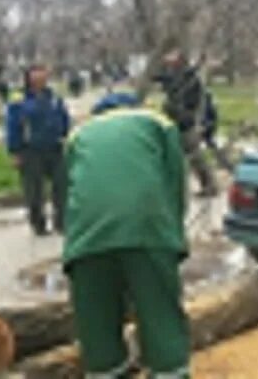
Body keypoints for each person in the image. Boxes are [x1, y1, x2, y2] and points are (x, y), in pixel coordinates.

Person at [63, 92, 190, 377]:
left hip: (86, 242)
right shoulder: (158, 123)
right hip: (147, 231)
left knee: (98, 333)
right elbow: (174, 184)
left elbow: (68, 192)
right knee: (161, 319)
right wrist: (174, 242)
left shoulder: (78, 135)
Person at [5, 64, 71, 236]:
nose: (41, 79)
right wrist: (15, 151)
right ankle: (38, 223)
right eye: (36, 76)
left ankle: (62, 222)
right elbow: (13, 126)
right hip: (30, 150)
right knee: (34, 190)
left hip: (54, 147)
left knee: (62, 186)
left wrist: (65, 134)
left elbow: (63, 117)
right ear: (29, 78)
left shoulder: (54, 97)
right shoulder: (19, 99)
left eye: (43, 75)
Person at [155, 50, 217, 197]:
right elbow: (161, 79)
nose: (168, 62)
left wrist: (196, 121)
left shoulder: (189, 78)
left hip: (186, 122)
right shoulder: (175, 76)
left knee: (195, 156)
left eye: (172, 59)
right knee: (185, 155)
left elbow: (195, 101)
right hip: (175, 120)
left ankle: (209, 185)